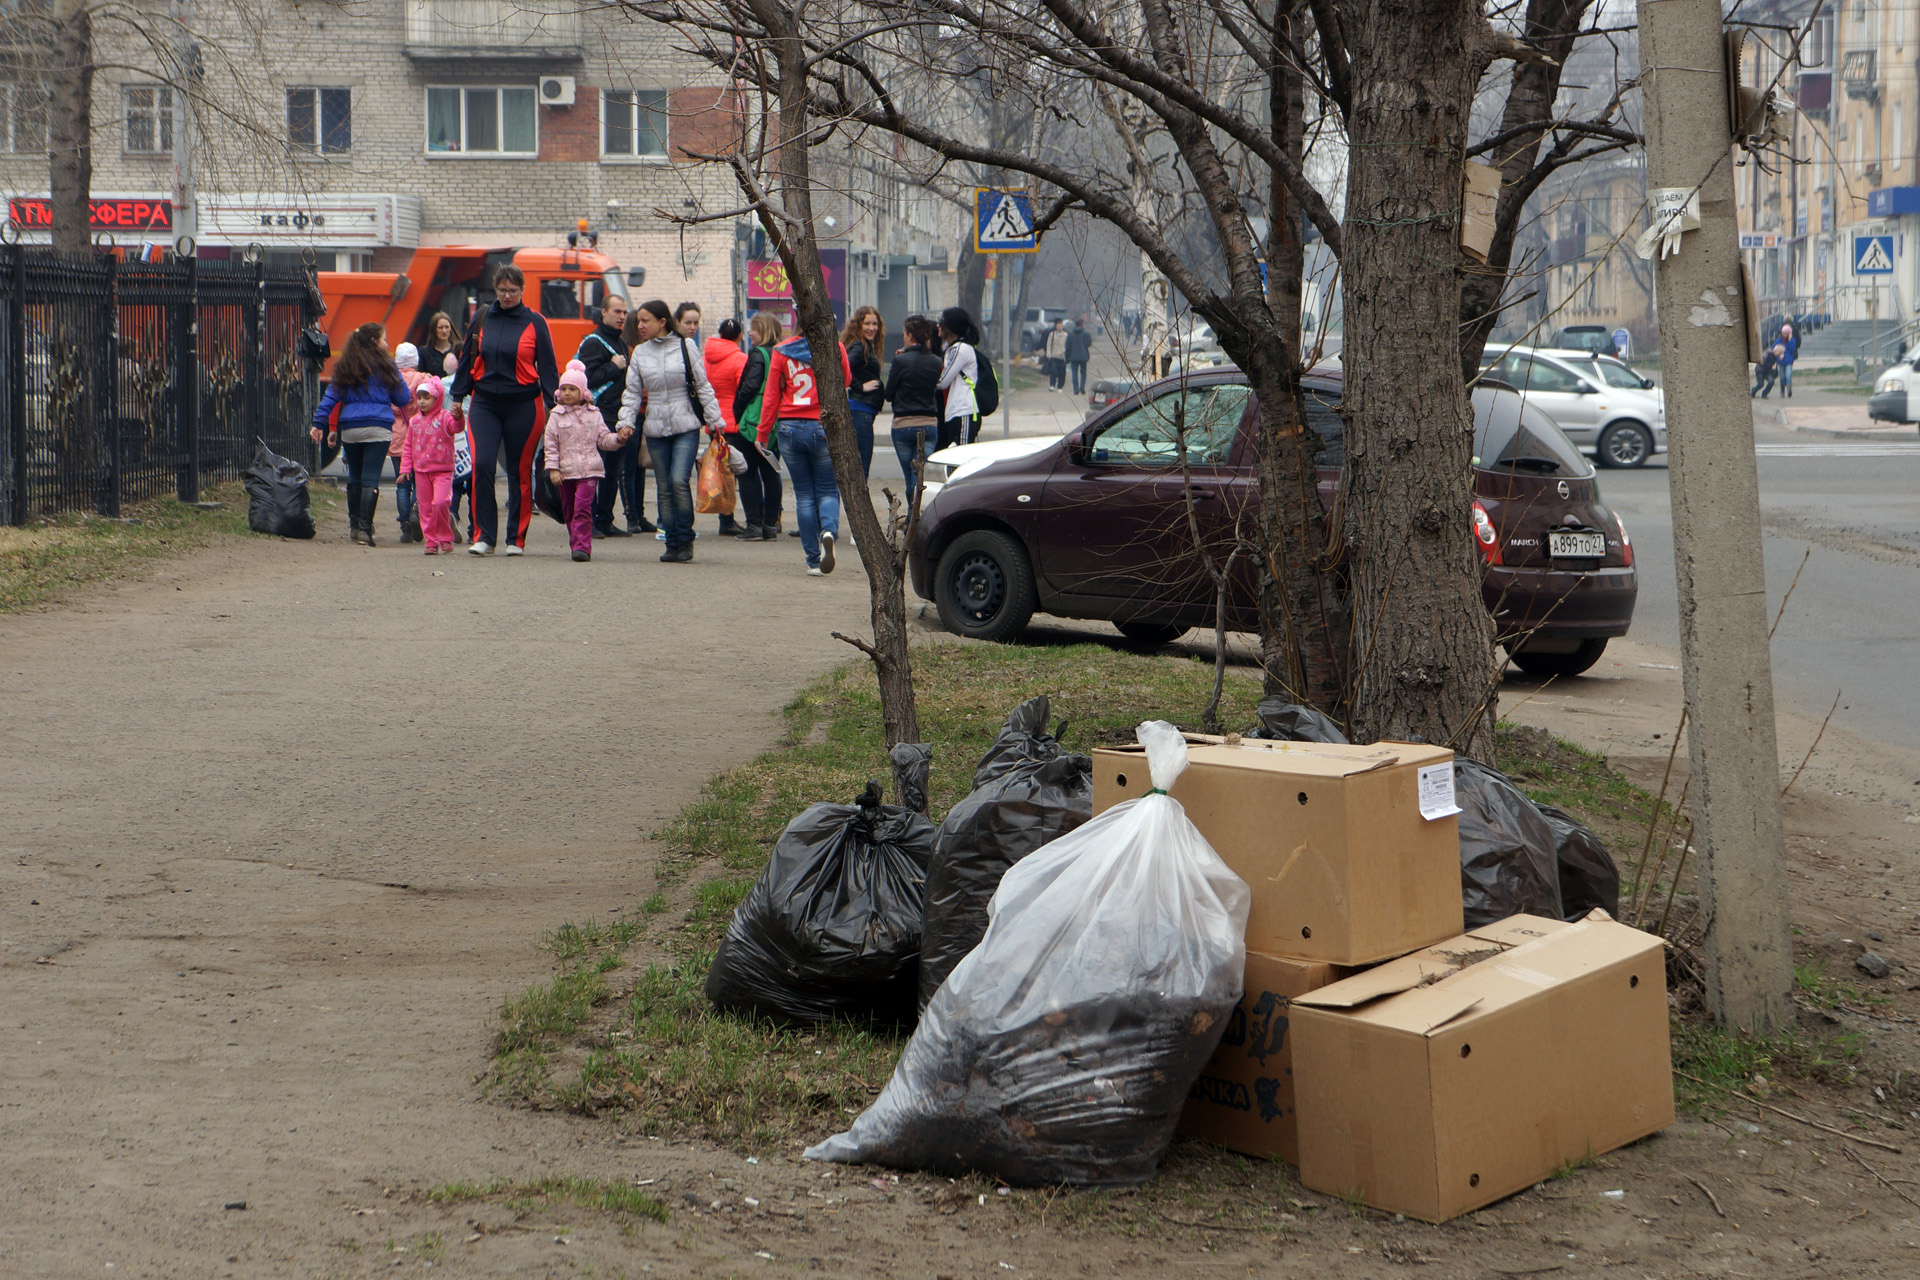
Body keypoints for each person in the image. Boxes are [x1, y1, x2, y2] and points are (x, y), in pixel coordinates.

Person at [450, 265, 559, 556]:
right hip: (485, 403)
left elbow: (548, 366)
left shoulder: (535, 322)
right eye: (502, 291)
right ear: (495, 290)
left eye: (513, 291)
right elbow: (465, 359)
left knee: (519, 472)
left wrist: (556, 406)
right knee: (482, 464)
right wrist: (457, 395)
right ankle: (484, 536)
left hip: (524, 405)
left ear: (522, 291)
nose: (507, 296)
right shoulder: (483, 317)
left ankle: (516, 539)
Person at [617, 299, 725, 563]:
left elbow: (702, 386)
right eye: (638, 321)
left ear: (662, 322)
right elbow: (631, 392)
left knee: (679, 481)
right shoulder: (640, 354)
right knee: (664, 486)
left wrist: (715, 422)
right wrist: (626, 423)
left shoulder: (686, 347)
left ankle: (685, 538)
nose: (640, 326)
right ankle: (672, 544)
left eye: (646, 321)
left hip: (686, 426)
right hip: (655, 428)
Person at [310, 322, 413, 546]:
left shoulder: (345, 365)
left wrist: (319, 423)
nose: (387, 343)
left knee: (354, 477)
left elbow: (331, 397)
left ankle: (354, 526)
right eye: (384, 339)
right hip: (379, 427)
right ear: (375, 341)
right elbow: (403, 398)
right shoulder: (387, 365)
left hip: (351, 428)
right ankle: (366, 529)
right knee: (370, 479)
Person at [761, 327, 853, 575]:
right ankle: (828, 532)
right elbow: (846, 381)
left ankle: (813, 560)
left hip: (789, 426)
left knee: (803, 495)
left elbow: (771, 395)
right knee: (827, 489)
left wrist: (763, 433)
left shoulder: (782, 351)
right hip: (821, 425)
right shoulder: (835, 347)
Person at [543, 360, 633, 562]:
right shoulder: (556, 416)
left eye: (572, 389)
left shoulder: (594, 414)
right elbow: (551, 444)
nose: (567, 393)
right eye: (564, 389)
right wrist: (553, 469)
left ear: (583, 392)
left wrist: (618, 438)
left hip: (589, 471)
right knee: (568, 510)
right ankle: (575, 541)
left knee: (582, 508)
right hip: (565, 472)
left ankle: (582, 547)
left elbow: (603, 439)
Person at [577, 294, 649, 538]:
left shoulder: (619, 342)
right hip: (601, 415)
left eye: (624, 312)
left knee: (613, 471)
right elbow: (584, 380)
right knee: (597, 470)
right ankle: (592, 521)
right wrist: (613, 367)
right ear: (603, 313)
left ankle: (606, 519)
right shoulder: (593, 343)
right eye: (617, 311)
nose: (622, 317)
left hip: (619, 415)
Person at [731, 313, 785, 540]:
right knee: (771, 473)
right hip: (777, 422)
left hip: (754, 423)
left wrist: (738, 409)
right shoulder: (783, 353)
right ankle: (771, 525)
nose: (750, 333)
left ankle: (753, 525)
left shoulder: (758, 354)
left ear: (762, 330)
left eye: (753, 329)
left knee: (747, 472)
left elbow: (750, 386)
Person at [885, 313, 944, 503]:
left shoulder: (900, 361)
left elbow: (889, 393)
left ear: (910, 335)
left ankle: (911, 520)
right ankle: (916, 519)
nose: (903, 336)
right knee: (920, 476)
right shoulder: (936, 362)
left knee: (909, 476)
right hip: (929, 424)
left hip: (903, 423)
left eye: (904, 333)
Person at [400, 376, 461, 554]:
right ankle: (431, 541)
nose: (422, 402)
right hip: (421, 471)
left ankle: (444, 536)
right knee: (425, 507)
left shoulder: (445, 417)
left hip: (442, 470)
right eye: (419, 398)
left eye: (427, 398)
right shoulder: (414, 421)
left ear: (437, 398)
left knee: (440, 503)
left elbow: (456, 428)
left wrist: (458, 418)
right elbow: (408, 446)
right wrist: (405, 468)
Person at [704, 318, 750, 536]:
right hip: (734, 421)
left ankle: (725, 517)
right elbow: (744, 391)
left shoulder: (705, 359)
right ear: (739, 337)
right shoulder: (740, 359)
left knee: (720, 470)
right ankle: (728, 519)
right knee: (734, 472)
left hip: (713, 422)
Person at [389, 343, 433, 543]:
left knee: (402, 483)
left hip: (397, 436)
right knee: (421, 481)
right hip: (419, 436)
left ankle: (405, 525)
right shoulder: (424, 379)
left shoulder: (391, 381)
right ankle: (417, 511)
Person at [842, 305, 885, 478]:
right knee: (861, 468)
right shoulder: (859, 347)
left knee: (858, 467)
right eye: (867, 323)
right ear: (858, 324)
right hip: (860, 412)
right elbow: (843, 367)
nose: (871, 328)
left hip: (863, 412)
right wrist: (859, 386)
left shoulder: (864, 346)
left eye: (875, 324)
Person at [936, 307, 982, 449]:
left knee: (961, 457)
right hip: (953, 412)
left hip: (963, 412)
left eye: (941, 322)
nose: (938, 325)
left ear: (950, 327)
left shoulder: (961, 349)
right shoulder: (951, 349)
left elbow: (943, 381)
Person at [423, 311, 462, 378]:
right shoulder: (424, 352)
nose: (444, 331)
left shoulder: (458, 349)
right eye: (440, 327)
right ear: (434, 329)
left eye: (447, 327)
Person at [1065, 318, 1092, 396]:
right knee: (1083, 373)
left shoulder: (1070, 334)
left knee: (1074, 373)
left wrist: (1066, 358)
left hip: (1073, 356)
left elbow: (1067, 346)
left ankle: (1075, 390)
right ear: (1082, 324)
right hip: (1083, 356)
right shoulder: (1086, 333)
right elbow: (1089, 343)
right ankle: (1082, 388)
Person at [1044, 318, 1068, 391]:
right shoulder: (1052, 334)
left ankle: (1060, 387)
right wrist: (1049, 355)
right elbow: (1048, 345)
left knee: (1062, 373)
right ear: (1056, 326)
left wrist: (1066, 357)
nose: (1060, 327)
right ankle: (1052, 385)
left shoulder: (1066, 335)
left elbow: (1067, 346)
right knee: (1053, 371)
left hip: (1062, 357)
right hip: (1054, 356)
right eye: (1058, 325)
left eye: (1061, 325)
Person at [1777, 322, 1798, 398]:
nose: (1784, 335)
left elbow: (1792, 349)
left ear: (1789, 334)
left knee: (1788, 376)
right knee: (1782, 377)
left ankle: (1789, 390)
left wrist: (1789, 340)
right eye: (1783, 333)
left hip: (1789, 361)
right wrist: (1779, 354)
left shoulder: (1792, 341)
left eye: (1786, 333)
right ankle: (1782, 391)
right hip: (1781, 361)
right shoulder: (1779, 340)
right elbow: (1774, 349)